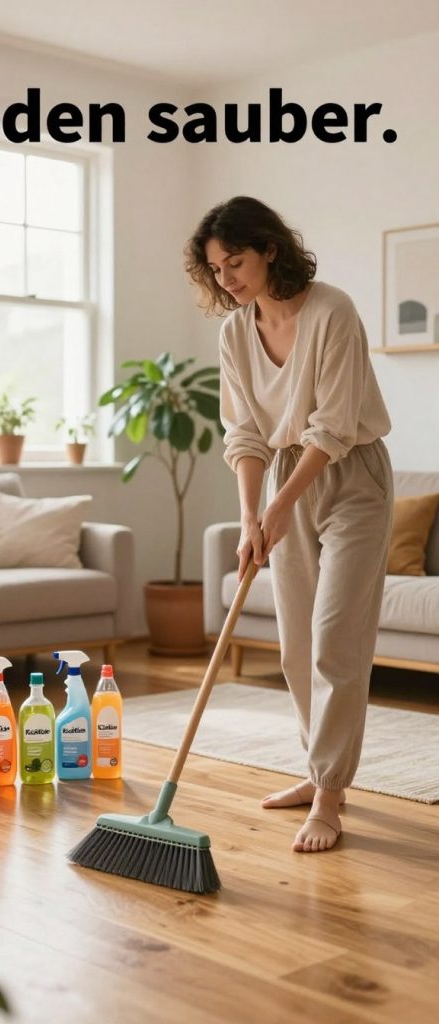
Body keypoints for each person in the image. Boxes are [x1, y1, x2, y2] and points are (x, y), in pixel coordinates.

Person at [184, 196, 393, 853]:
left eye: (235, 262)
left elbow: (331, 428)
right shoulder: (233, 334)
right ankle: (315, 770)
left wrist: (280, 507)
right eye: (215, 269)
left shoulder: (331, 311)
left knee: (335, 637)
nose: (226, 279)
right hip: (279, 475)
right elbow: (243, 434)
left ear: (269, 249)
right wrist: (250, 514)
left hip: (348, 476)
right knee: (295, 644)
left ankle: (329, 797)